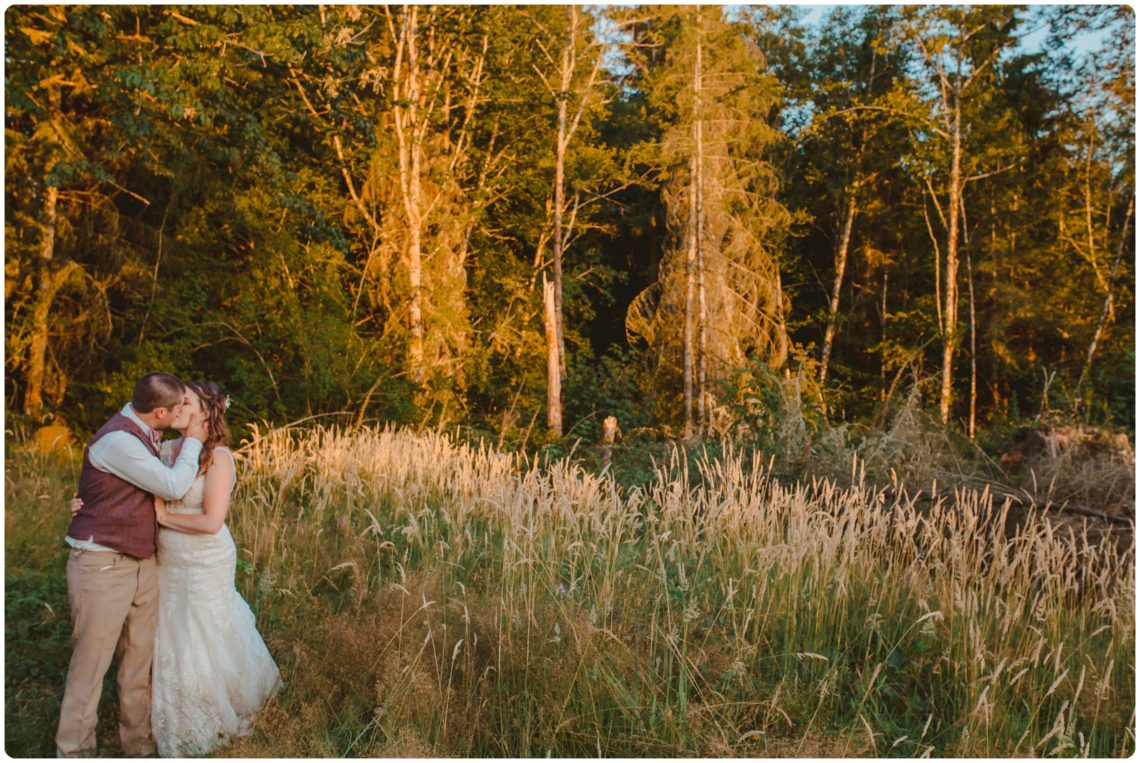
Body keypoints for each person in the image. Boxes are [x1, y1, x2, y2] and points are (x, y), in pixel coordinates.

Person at [71, 381, 281, 757]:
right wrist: (89, 504)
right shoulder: (163, 448)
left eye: (187, 400)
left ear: (205, 412)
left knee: (201, 631)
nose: (178, 405)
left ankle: (207, 711)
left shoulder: (218, 457)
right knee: (169, 635)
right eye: (177, 400)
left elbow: (211, 522)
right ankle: (148, 724)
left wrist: (164, 518)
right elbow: (128, 485)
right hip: (165, 559)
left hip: (204, 558)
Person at [57, 372, 207, 758]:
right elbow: (172, 486)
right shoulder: (119, 441)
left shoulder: (148, 432)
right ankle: (73, 752)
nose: (184, 415)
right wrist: (193, 441)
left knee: (138, 665)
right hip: (102, 566)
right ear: (160, 412)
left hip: (142, 563)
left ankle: (137, 747)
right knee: (90, 668)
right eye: (179, 410)